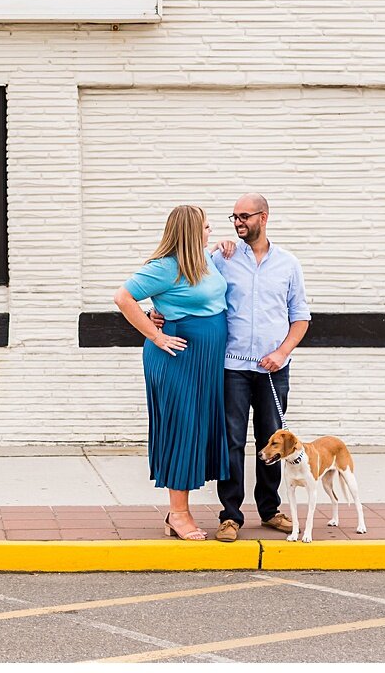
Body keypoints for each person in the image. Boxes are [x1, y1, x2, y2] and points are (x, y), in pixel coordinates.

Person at [112, 204, 230, 541]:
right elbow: (123, 297)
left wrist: (222, 245)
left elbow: (208, 271)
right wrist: (155, 333)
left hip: (204, 360)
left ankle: (178, 511)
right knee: (183, 429)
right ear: (191, 232)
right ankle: (178, 514)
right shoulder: (164, 268)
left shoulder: (202, 259)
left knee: (198, 429)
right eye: (206, 227)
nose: (210, 231)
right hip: (178, 358)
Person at [207, 193, 311, 540]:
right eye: (233, 216)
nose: (238, 222)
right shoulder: (223, 259)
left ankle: (269, 511)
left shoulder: (288, 264)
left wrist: (281, 353)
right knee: (232, 441)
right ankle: (230, 515)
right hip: (232, 366)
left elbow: (300, 318)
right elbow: (189, 280)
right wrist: (211, 250)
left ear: (263, 218)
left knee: (273, 441)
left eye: (244, 216)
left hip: (273, 369)